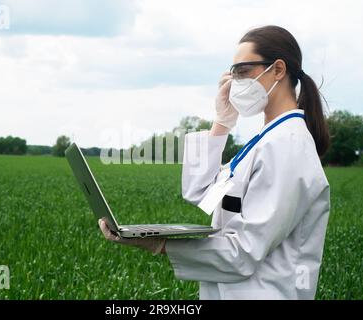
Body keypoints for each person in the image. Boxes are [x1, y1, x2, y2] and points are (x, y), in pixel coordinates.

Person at [98, 25, 331, 300]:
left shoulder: (287, 147)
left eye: (243, 72)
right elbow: (200, 191)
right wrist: (221, 122)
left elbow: (242, 253)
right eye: (232, 74)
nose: (235, 83)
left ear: (278, 70)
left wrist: (160, 244)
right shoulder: (266, 140)